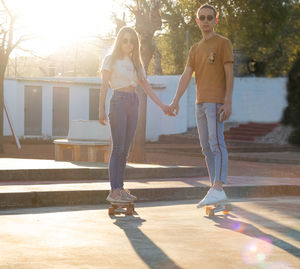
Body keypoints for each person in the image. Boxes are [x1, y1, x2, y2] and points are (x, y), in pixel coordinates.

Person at [169, 3, 234, 207]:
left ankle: (218, 187)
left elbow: (229, 73)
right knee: (206, 147)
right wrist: (175, 100)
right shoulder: (195, 49)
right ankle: (216, 190)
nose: (206, 21)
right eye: (202, 18)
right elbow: (186, 75)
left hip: (216, 103)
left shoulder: (223, 43)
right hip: (200, 104)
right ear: (197, 21)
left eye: (209, 17)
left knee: (216, 143)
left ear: (216, 20)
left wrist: (228, 100)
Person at [99, 26, 172, 203]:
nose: (128, 44)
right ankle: (113, 190)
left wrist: (163, 105)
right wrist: (100, 109)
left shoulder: (136, 63)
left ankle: (120, 188)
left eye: (132, 41)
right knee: (117, 148)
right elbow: (104, 85)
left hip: (134, 102)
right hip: (118, 102)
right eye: (124, 40)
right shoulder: (110, 59)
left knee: (125, 150)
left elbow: (146, 87)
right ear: (119, 41)